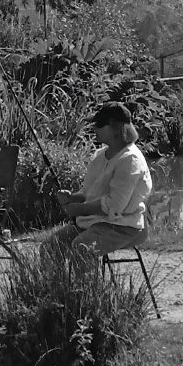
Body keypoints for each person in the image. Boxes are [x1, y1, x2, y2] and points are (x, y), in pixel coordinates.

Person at [50, 101, 152, 256]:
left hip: (123, 227)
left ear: (115, 128)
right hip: (93, 223)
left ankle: (87, 282)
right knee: (51, 246)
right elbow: (88, 193)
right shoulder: (99, 155)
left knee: (82, 248)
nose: (94, 128)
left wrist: (81, 210)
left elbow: (115, 205)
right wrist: (72, 197)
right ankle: (57, 281)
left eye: (99, 124)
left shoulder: (130, 159)